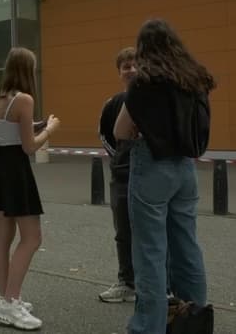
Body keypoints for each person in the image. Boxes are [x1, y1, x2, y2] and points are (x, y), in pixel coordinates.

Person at [114, 19, 213, 334]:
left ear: (144, 48)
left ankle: (148, 327)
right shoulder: (193, 79)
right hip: (185, 169)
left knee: (149, 252)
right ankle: (192, 316)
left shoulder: (144, 83)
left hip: (151, 166)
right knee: (187, 244)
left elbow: (120, 131)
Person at [0, 47, 60, 331]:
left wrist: (34, 125)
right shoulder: (24, 99)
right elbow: (28, 145)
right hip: (15, 170)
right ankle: (11, 302)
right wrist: (49, 129)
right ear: (27, 71)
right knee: (32, 237)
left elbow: (7, 130)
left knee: (3, 235)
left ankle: (6, 299)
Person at [98, 47, 138, 303]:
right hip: (122, 178)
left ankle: (162, 285)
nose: (131, 70)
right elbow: (105, 135)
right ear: (119, 73)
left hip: (150, 178)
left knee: (156, 233)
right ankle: (127, 283)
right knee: (123, 232)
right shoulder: (112, 104)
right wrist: (120, 160)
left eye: (136, 65)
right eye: (126, 66)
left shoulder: (155, 101)